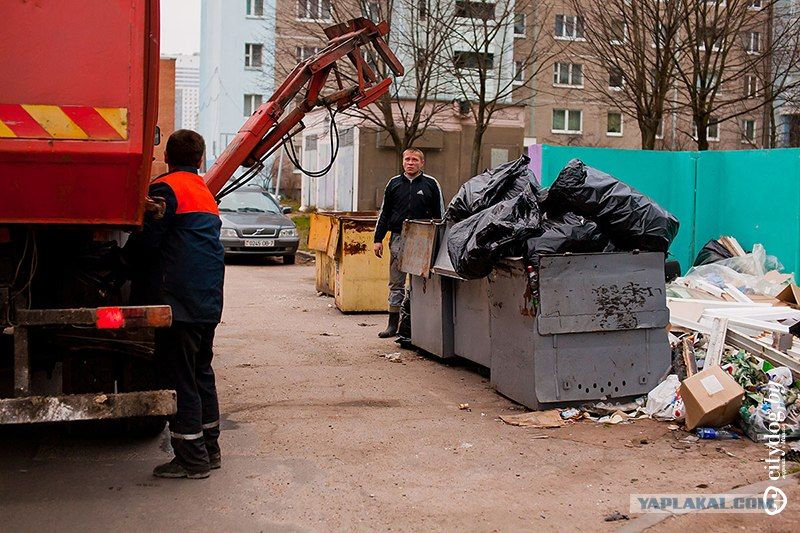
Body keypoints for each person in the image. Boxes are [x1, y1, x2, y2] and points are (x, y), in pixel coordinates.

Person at [123, 130, 225, 479]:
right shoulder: (204, 191)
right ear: (200, 159)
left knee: (180, 378)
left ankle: (191, 460)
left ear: (167, 156)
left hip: (178, 302)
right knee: (200, 374)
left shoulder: (166, 188)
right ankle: (210, 451)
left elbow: (148, 243)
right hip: (207, 300)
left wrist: (115, 265)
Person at [373, 148, 444, 338]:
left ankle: (414, 325)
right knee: (396, 282)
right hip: (397, 238)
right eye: (407, 159)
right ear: (403, 161)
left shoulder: (431, 184)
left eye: (414, 160)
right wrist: (377, 239)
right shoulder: (394, 184)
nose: (410, 162)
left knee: (419, 282)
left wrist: (440, 241)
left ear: (422, 163)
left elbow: (440, 216)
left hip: (423, 240)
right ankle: (392, 324)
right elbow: (384, 213)